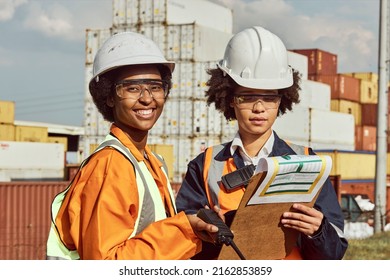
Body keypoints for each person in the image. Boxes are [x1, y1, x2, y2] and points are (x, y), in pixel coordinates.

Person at [175, 26, 348, 260]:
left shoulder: (308, 162)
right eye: (246, 97)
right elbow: (182, 245)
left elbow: (334, 254)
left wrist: (318, 231)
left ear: (282, 100)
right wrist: (206, 232)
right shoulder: (203, 166)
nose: (259, 108)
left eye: (269, 98)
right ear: (230, 99)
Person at [46, 31, 218, 260]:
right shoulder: (110, 165)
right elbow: (107, 263)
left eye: (155, 87)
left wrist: (194, 227)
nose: (147, 98)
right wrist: (184, 230)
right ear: (109, 96)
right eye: (132, 88)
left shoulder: (151, 163)